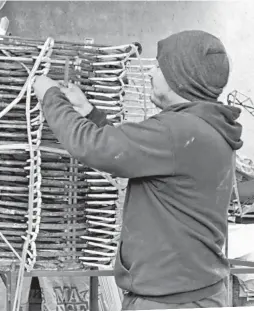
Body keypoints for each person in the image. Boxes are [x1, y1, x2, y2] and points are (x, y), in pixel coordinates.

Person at [32, 30, 243, 310]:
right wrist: (88, 111)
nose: (152, 73)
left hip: (169, 301)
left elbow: (94, 147)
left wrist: (51, 97)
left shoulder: (178, 131)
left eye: (159, 67)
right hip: (197, 292)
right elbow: (128, 151)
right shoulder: (207, 127)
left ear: (179, 78)